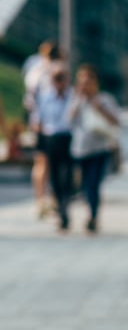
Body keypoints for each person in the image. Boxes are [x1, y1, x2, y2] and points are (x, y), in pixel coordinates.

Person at [68, 64, 121, 232]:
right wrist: (77, 102)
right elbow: (68, 121)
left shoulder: (105, 99)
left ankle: (93, 215)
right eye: (82, 82)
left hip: (100, 148)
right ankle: (91, 211)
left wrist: (100, 108)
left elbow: (117, 121)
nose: (85, 86)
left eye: (88, 81)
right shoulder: (77, 100)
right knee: (85, 185)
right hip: (80, 149)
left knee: (94, 184)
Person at [23, 40, 63, 217]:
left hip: (37, 122)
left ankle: (40, 200)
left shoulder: (33, 71)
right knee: (56, 163)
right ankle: (54, 199)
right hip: (54, 124)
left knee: (41, 162)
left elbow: (29, 99)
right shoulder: (57, 71)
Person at [34, 61, 73, 230]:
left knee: (68, 175)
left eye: (62, 78)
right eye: (56, 78)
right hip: (52, 138)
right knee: (55, 175)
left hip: (70, 137)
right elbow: (38, 120)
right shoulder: (45, 96)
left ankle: (66, 201)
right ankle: (60, 207)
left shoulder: (73, 96)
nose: (59, 82)